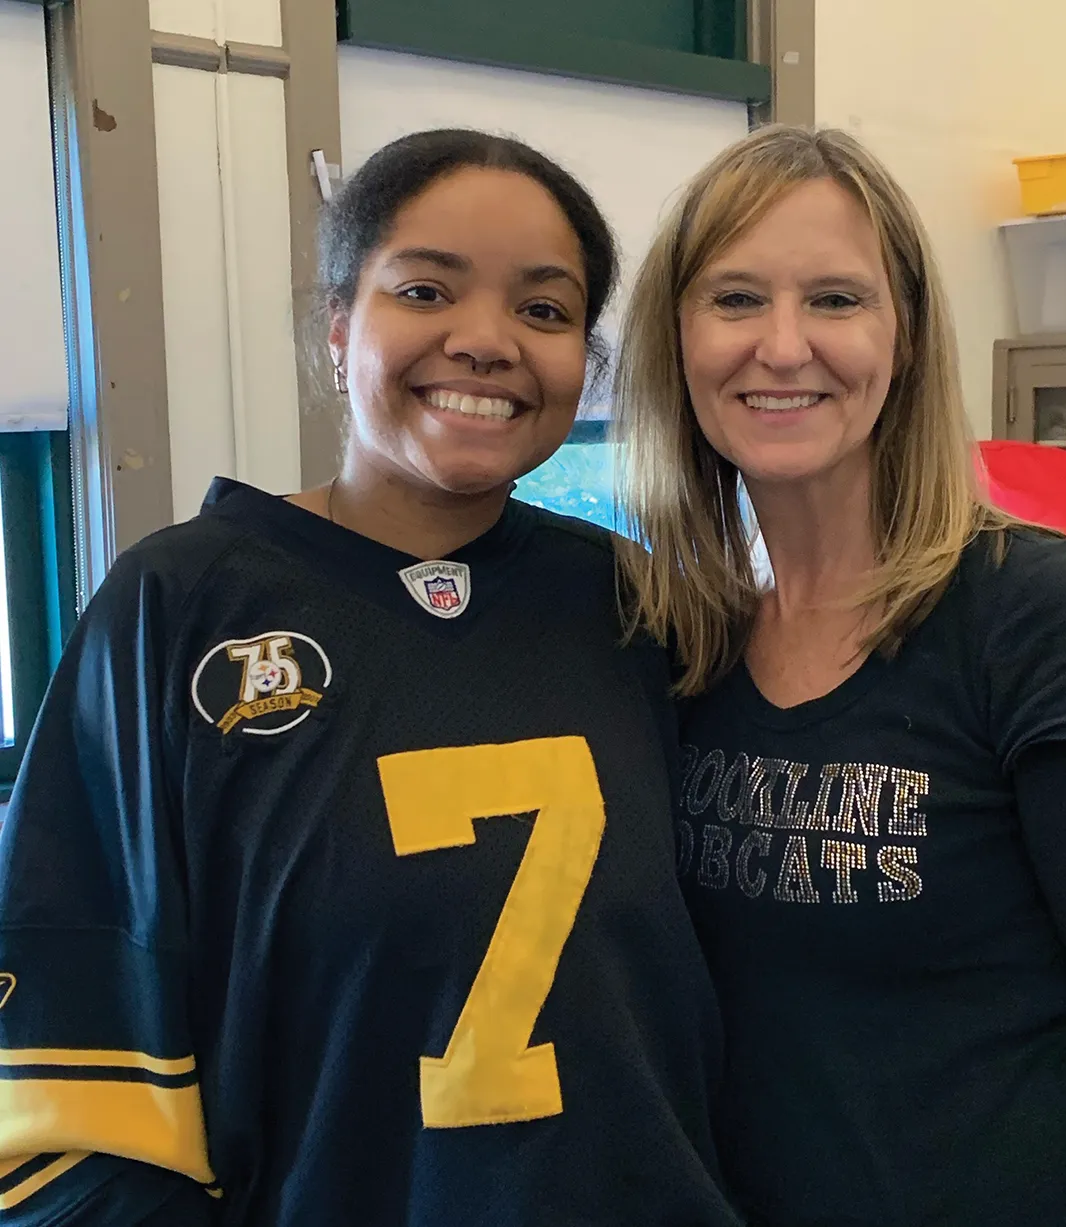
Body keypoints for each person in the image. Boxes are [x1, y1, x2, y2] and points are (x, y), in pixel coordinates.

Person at [0, 129, 741, 1227]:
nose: (486, 340)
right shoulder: (178, 607)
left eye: (544, 310)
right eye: (427, 288)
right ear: (339, 324)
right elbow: (65, 1060)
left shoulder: (637, 606)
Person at [614, 124, 1066, 1227]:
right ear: (675, 339)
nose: (783, 348)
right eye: (735, 298)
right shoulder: (680, 640)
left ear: (910, 336)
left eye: (836, 299)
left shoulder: (1028, 612)